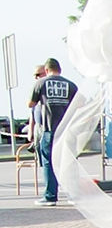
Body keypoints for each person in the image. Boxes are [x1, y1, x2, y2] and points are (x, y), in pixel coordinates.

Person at [27, 58, 79, 207]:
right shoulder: (71, 85)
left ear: (47, 70)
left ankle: (50, 196)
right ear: (60, 69)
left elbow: (30, 103)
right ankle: (73, 195)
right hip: (67, 130)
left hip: (49, 129)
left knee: (49, 162)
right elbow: (80, 104)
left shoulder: (40, 84)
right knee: (69, 162)